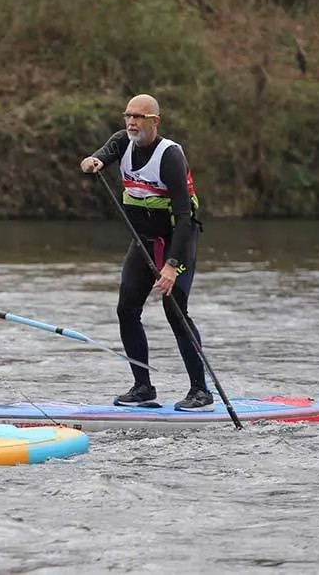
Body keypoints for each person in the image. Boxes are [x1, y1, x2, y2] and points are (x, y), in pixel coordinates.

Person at [80, 93, 212, 411]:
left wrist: (171, 266)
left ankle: (201, 392)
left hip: (176, 241)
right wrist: (92, 161)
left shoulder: (171, 156)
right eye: (127, 116)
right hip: (143, 241)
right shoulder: (122, 141)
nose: (131, 122)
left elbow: (184, 218)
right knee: (126, 309)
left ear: (155, 121)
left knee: (175, 312)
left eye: (138, 117)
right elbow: (101, 155)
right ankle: (143, 387)